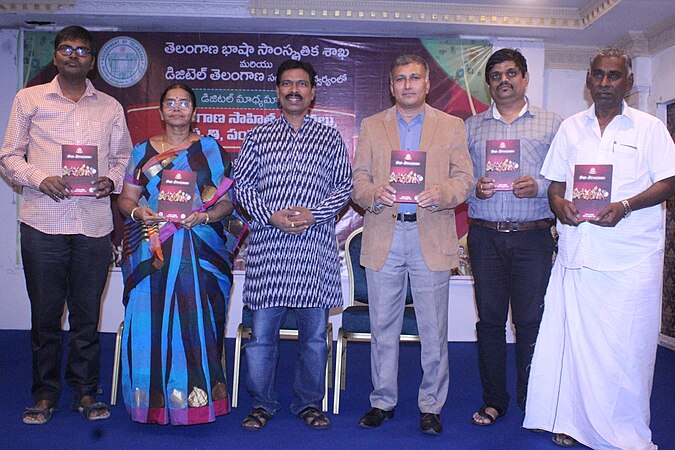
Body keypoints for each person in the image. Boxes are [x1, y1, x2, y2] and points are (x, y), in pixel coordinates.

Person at [523, 47, 675, 449]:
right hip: (579, 254)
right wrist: (560, 205)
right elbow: (556, 184)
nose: (605, 84)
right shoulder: (571, 128)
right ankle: (573, 423)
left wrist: (625, 205)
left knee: (625, 350)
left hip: (630, 259)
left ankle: (622, 430)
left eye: (614, 76)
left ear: (627, 81)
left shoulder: (648, 128)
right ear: (587, 80)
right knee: (576, 344)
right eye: (598, 76)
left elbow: (669, 181)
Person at [0, 25, 132, 424]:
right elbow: (8, 155)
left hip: (92, 224)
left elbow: (122, 157)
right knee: (45, 315)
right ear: (56, 56)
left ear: (92, 60)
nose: (74, 55)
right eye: (65, 49)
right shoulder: (30, 99)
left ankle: (86, 392)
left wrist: (111, 180)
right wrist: (41, 178)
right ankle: (44, 395)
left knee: (87, 316)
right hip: (43, 222)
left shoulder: (109, 106)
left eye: (82, 50)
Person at [351, 54, 473, 435]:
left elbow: (464, 177)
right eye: (400, 79)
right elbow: (358, 179)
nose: (407, 84)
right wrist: (375, 193)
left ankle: (431, 406)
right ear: (391, 86)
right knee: (382, 325)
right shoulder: (372, 126)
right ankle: (382, 401)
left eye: (414, 78)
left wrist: (442, 193)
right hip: (385, 233)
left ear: (426, 84)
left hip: (431, 234)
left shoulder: (451, 126)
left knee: (433, 328)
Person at [233, 59, 352, 431]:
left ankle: (308, 404)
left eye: (301, 84)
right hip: (270, 250)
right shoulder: (257, 136)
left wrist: (315, 214)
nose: (294, 90)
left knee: (314, 339)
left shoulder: (329, 137)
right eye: (287, 84)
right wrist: (271, 215)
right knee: (261, 338)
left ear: (313, 92)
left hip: (314, 252)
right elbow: (241, 187)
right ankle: (263, 404)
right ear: (277, 91)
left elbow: (344, 186)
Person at [117, 83, 243, 425]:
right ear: (160, 112)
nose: (177, 108)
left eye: (183, 102)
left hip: (198, 249)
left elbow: (228, 202)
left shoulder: (211, 151)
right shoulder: (141, 152)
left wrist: (205, 215)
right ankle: (149, 401)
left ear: (193, 110)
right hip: (153, 251)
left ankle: (197, 401)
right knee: (148, 324)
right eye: (170, 102)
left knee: (196, 322)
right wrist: (138, 213)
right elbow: (126, 199)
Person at [464, 48, 562, 426]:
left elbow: (566, 177)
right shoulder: (470, 127)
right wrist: (476, 187)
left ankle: (532, 400)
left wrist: (538, 186)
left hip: (532, 238)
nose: (503, 80)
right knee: (489, 321)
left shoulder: (553, 124)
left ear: (525, 78)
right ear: (488, 83)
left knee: (530, 322)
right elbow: (457, 178)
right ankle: (494, 400)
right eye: (495, 75)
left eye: (510, 73)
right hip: (485, 237)